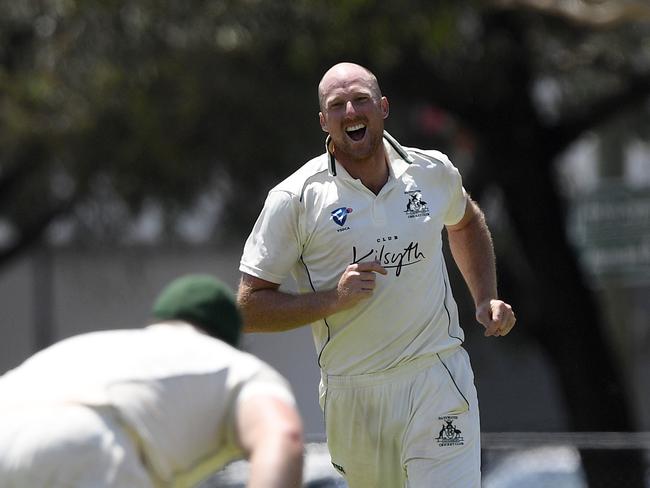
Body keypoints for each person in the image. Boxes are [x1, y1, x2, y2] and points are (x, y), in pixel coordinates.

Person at [237, 62, 516, 487]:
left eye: (361, 99)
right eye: (337, 105)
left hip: (435, 374)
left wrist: (484, 296)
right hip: (355, 392)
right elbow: (248, 307)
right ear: (323, 121)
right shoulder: (295, 198)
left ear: (383, 107)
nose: (350, 111)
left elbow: (465, 221)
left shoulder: (431, 171)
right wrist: (333, 299)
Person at [0, 274, 304, 488]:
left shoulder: (97, 346)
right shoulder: (235, 366)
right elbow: (283, 435)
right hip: (86, 448)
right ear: (227, 338)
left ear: (158, 322)